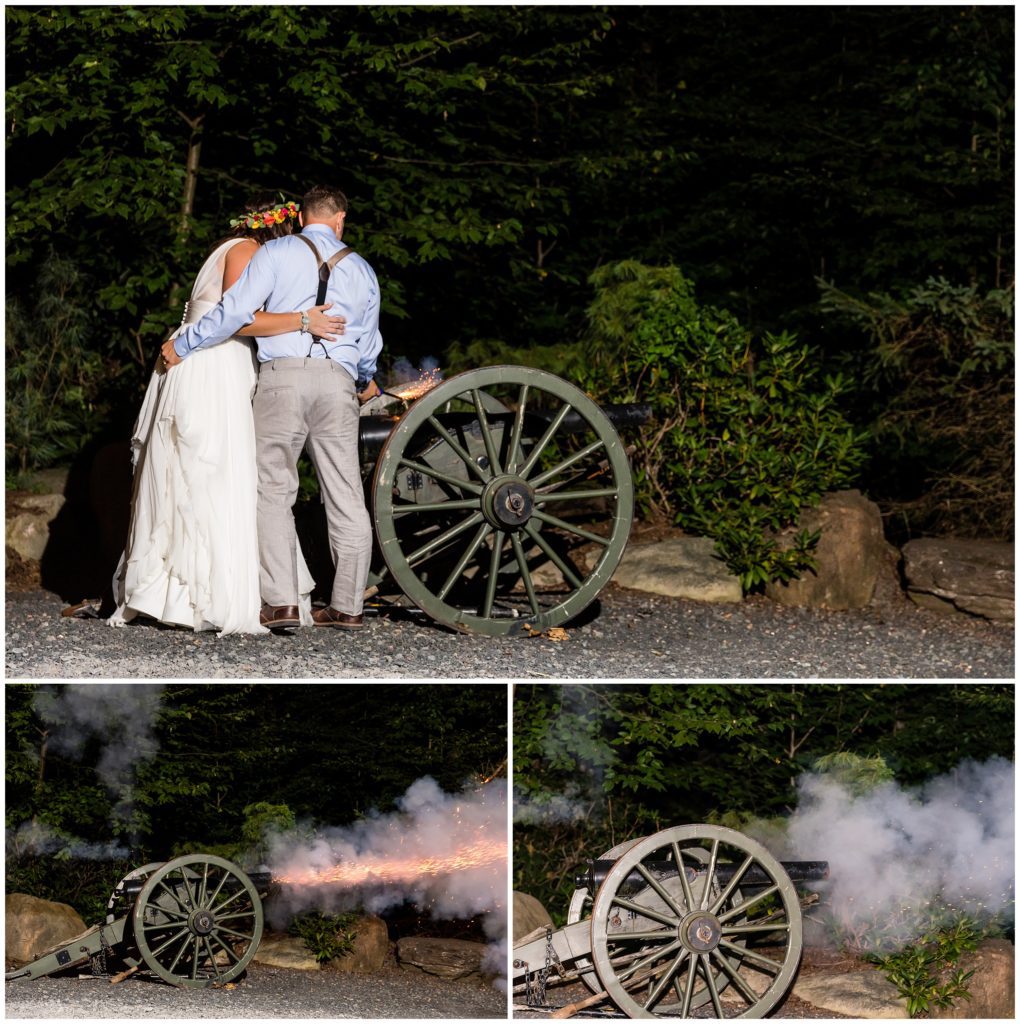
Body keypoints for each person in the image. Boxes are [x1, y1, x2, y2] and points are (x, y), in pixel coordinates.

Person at [110, 194, 346, 635]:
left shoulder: (230, 247)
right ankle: (203, 596)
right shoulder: (246, 251)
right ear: (275, 227)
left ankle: (182, 593)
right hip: (214, 363)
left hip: (205, 357)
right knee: (216, 472)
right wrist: (302, 321)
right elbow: (238, 319)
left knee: (202, 471)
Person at [161, 185, 383, 631]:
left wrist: (183, 344)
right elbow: (368, 345)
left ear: (302, 218)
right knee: (345, 495)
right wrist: (360, 380)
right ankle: (347, 606)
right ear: (341, 219)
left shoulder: (276, 251)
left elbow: (234, 312)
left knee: (273, 491)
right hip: (337, 384)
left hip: (282, 379)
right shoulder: (363, 270)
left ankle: (281, 603)